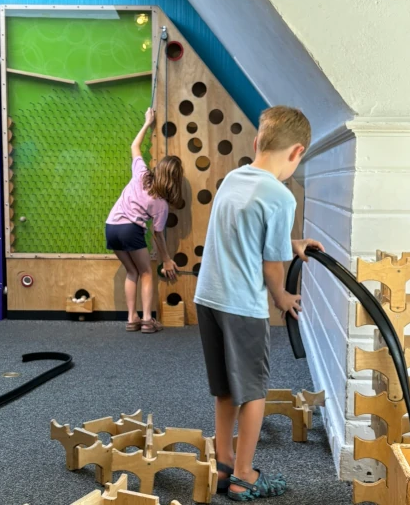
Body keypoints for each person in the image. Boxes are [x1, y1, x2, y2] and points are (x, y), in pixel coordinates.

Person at [193, 105, 324, 500]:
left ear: (256, 143)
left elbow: (247, 236)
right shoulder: (281, 197)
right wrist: (282, 296)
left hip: (208, 298)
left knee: (225, 389)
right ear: (297, 152)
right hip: (242, 307)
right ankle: (245, 474)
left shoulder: (234, 178)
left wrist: (293, 243)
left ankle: (224, 462)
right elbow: (270, 265)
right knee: (253, 392)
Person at [105, 107, 182, 334]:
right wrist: (166, 259)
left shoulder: (141, 174)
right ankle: (147, 320)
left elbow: (134, 146)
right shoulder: (161, 204)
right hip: (130, 230)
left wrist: (147, 123)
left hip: (111, 226)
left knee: (132, 272)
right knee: (146, 272)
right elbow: (157, 235)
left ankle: (131, 318)